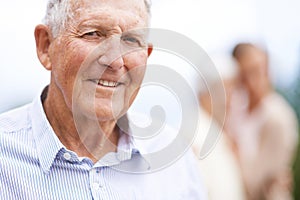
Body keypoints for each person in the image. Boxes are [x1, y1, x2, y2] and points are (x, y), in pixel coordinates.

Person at [0, 0, 207, 199]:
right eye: (93, 34)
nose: (116, 60)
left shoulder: (174, 157)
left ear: (146, 53)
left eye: (131, 40)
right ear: (46, 46)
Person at [226, 43, 299, 200]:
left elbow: (255, 183)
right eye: (244, 75)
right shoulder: (235, 110)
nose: (252, 81)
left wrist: (232, 152)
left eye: (257, 71)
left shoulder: (279, 118)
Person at [192, 54, 246, 200]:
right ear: (206, 93)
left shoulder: (219, 137)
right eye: (226, 91)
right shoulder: (198, 139)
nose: (231, 100)